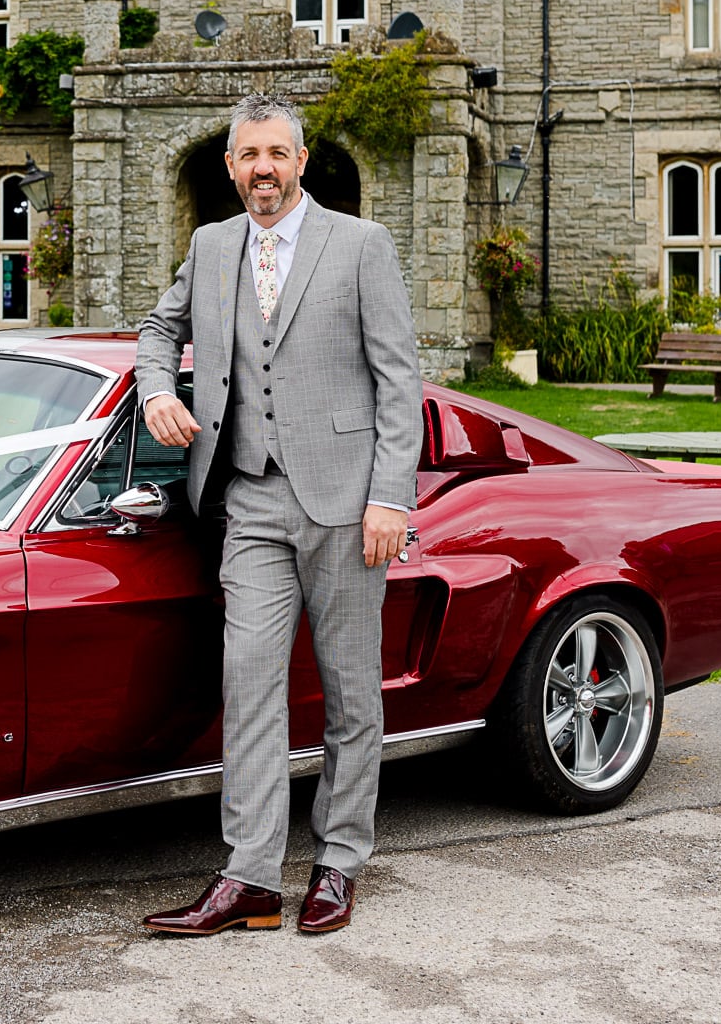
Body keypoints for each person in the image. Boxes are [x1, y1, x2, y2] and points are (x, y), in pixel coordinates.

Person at [135, 91, 423, 937]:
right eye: (247, 156)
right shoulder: (212, 244)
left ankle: (339, 862)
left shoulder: (361, 244)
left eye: (277, 154)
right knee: (250, 685)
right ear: (230, 167)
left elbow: (399, 379)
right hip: (248, 496)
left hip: (345, 501)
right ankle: (251, 877)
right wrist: (158, 389)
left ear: (301, 161)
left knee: (348, 692)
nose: (262, 168)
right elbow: (160, 328)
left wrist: (389, 497)